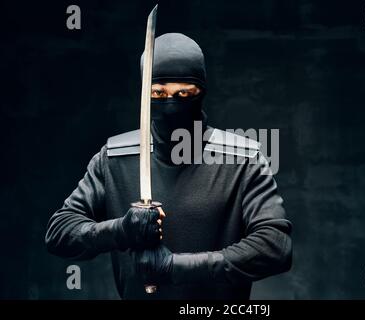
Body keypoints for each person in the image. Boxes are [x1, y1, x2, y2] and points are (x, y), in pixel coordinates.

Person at [45, 33, 292, 299]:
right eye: (158, 93)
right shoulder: (115, 158)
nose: (171, 104)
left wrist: (174, 267)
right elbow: (60, 232)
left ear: (201, 92)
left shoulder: (243, 160)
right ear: (144, 94)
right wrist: (120, 230)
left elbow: (275, 247)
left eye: (184, 93)